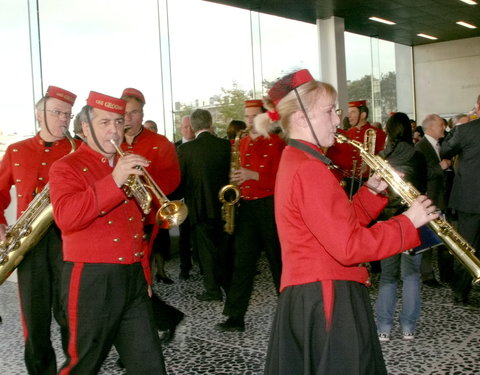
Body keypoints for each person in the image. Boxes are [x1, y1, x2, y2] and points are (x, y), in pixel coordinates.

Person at [258, 69, 438, 375]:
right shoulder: (309, 168)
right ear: (301, 118)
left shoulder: (299, 159)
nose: (337, 121)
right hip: (327, 294)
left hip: (315, 291)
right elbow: (348, 246)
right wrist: (408, 223)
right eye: (329, 112)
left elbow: (334, 225)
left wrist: (369, 193)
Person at [49, 91, 167, 374]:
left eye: (117, 122)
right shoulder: (67, 167)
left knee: (150, 365)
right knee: (84, 364)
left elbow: (135, 228)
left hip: (132, 279)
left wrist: (144, 276)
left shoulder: (125, 164)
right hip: (92, 279)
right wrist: (114, 180)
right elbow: (67, 218)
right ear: (85, 128)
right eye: (104, 123)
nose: (113, 129)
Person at [0, 85, 79, 375]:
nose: (63, 120)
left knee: (69, 314)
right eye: (57, 113)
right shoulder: (17, 150)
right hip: (28, 244)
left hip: (69, 241)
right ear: (39, 114)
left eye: (68, 115)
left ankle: (73, 368)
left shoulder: (78, 150)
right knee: (33, 319)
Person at [216, 99, 285, 332]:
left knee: (278, 262)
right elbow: (237, 175)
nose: (248, 121)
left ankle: (289, 313)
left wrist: (252, 175)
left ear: (265, 117)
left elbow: (282, 181)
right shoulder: (241, 141)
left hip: (269, 207)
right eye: (246, 116)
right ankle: (235, 316)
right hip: (246, 206)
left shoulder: (277, 143)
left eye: (253, 116)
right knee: (242, 264)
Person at [375, 112, 428, 342]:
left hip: (387, 223)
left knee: (387, 276)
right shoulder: (418, 155)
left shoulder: (381, 157)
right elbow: (423, 190)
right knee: (411, 275)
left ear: (387, 131)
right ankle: (408, 327)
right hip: (412, 222)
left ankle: (384, 328)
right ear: (409, 129)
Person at [120, 87, 180, 284]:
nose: (128, 117)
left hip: (147, 215)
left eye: (134, 112)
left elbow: (173, 179)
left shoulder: (160, 143)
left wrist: (144, 184)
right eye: (124, 112)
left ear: (142, 114)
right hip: (116, 215)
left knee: (146, 260)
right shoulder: (109, 143)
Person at [177, 109, 231, 301]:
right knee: (223, 248)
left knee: (206, 252)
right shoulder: (226, 146)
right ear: (210, 123)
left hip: (198, 208)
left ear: (192, 126)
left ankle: (213, 290)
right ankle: (227, 285)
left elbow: (181, 183)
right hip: (225, 206)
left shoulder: (185, 150)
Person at [441, 116, 480, 304]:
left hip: (470, 199)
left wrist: (457, 128)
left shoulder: (466, 130)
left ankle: (461, 290)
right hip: (471, 199)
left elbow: (445, 149)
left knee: (466, 246)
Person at [415, 114, 454, 285]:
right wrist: (441, 167)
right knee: (429, 239)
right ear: (430, 127)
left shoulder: (441, 145)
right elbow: (422, 174)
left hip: (442, 197)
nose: (443, 128)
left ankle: (445, 274)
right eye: (440, 125)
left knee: (444, 236)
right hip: (430, 198)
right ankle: (427, 275)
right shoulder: (420, 148)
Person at [326, 99, 386, 198]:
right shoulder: (346, 134)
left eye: (353, 112)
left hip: (370, 184)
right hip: (348, 184)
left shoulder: (378, 134)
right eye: (349, 112)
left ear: (363, 114)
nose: (349, 115)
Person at [173, 115, 196, 280]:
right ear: (180, 128)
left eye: (191, 127)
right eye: (185, 127)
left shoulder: (199, 146)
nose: (188, 130)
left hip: (197, 198)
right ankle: (185, 267)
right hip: (181, 199)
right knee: (184, 236)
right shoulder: (174, 148)